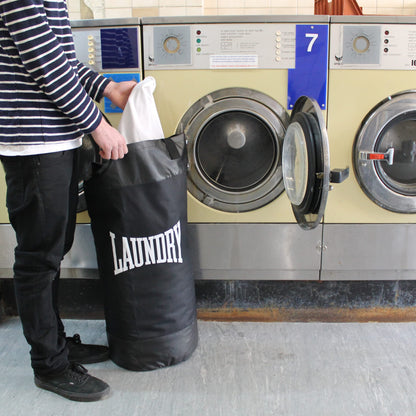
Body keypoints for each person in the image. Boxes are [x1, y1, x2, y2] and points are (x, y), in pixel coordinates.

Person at [0, 0, 137, 402]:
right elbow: (45, 62)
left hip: (54, 135)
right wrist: (97, 124)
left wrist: (107, 88)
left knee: (54, 246)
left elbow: (59, 57)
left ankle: (56, 344)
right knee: (39, 256)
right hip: (33, 142)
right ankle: (50, 365)